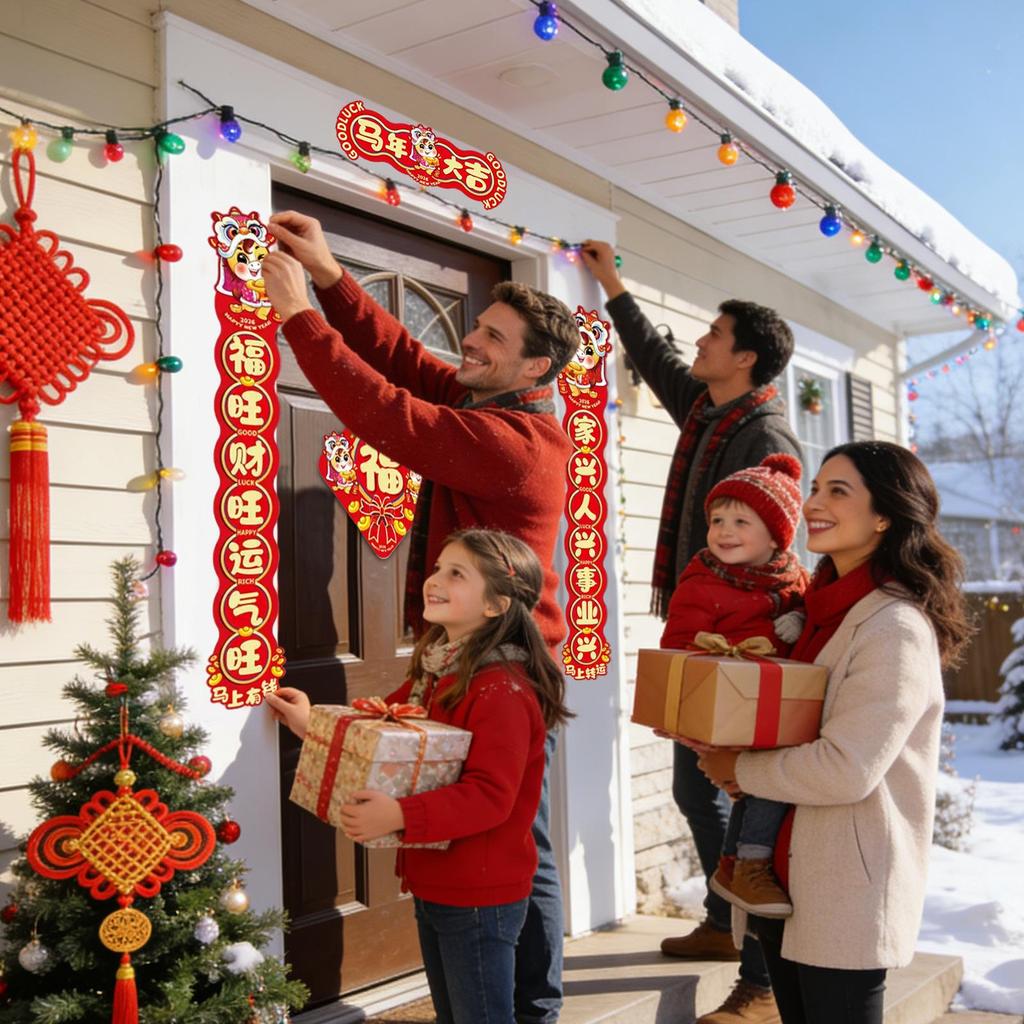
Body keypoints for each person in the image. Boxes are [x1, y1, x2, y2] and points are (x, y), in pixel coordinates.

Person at [262, 213, 579, 1024]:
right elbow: (407, 364)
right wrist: (333, 280)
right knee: (521, 840)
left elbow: (389, 415)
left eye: (492, 339)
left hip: (507, 661)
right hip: (475, 653)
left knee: (512, 843)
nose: (470, 344)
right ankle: (520, 1004)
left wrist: (299, 314)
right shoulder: (499, 401)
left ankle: (528, 1008)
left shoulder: (510, 440)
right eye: (477, 330)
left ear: (535, 366)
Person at [581, 239, 799, 1023]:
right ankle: (721, 927)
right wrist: (610, 282)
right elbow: (661, 359)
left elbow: (780, 566)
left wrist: (753, 662)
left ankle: (762, 978)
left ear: (743, 358)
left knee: (743, 817)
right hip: (699, 635)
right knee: (694, 789)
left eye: (714, 333)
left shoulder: (765, 439)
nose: (699, 341)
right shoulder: (712, 413)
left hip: (740, 656)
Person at [694, 441, 972, 1024]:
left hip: (845, 887)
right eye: (815, 488)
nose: (814, 503)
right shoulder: (817, 611)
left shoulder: (893, 626)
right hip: (783, 880)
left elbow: (848, 766)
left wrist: (738, 769)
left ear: (884, 516)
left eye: (837, 491)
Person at [267, 529, 573, 1024]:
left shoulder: (502, 689)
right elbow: (384, 730)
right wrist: (311, 724)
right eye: (437, 568)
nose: (435, 580)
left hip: (480, 890)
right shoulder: (437, 671)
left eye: (457, 574)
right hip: (436, 882)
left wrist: (400, 814)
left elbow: (490, 795)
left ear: (496, 605)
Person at [659, 455, 809, 922]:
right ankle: (747, 865)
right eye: (717, 520)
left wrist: (798, 619)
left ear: (775, 535)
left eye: (741, 521)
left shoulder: (794, 581)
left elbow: (813, 626)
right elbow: (679, 648)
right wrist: (722, 655)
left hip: (775, 709)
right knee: (749, 789)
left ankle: (738, 863)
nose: (724, 531)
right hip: (722, 708)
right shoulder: (702, 581)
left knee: (763, 788)